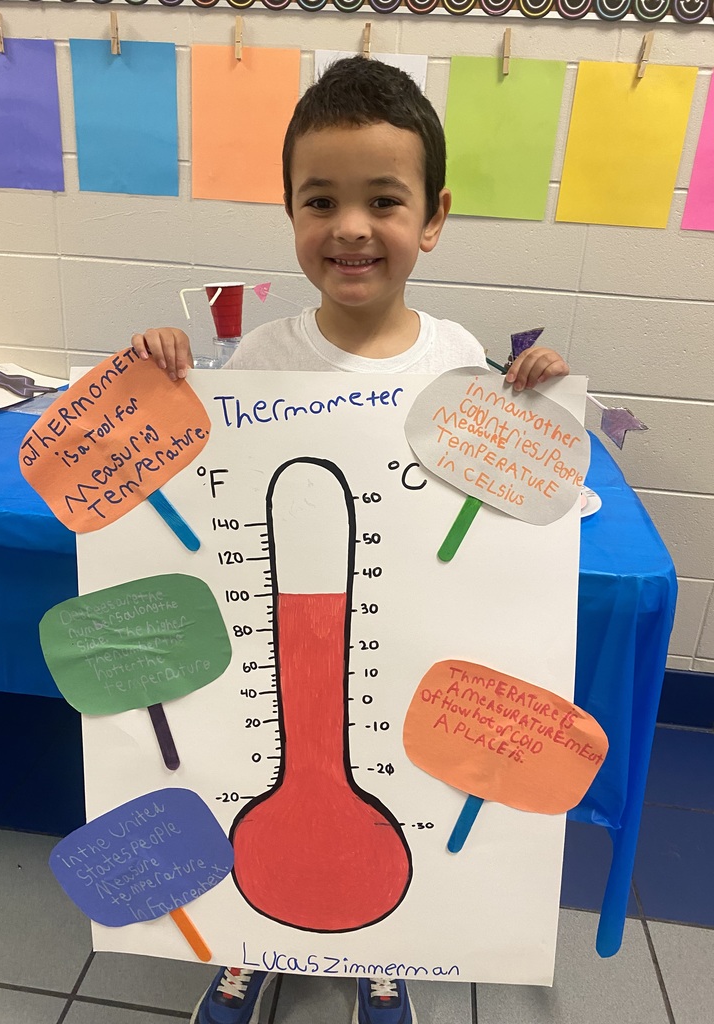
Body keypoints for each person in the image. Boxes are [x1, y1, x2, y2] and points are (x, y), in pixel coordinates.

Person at [131, 55, 569, 1024]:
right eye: (320, 200)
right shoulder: (261, 357)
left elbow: (509, 509)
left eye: (384, 199)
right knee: (256, 761)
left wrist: (532, 401)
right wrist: (170, 378)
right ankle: (247, 939)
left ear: (434, 217)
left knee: (394, 767)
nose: (352, 227)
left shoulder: (460, 364)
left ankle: (393, 941)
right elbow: (200, 488)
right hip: (283, 626)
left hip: (405, 633)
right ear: (290, 213)